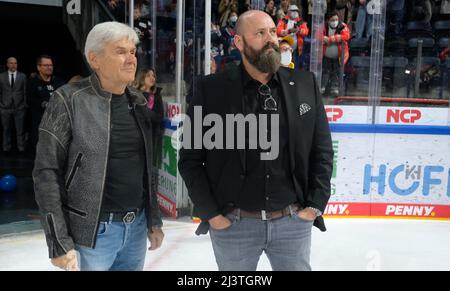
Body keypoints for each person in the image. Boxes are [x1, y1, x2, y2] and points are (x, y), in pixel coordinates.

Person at [178, 10, 333, 271]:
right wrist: (213, 215)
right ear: (239, 43)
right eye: (260, 33)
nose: (271, 39)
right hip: (233, 225)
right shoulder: (211, 90)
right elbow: (191, 160)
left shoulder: (305, 84)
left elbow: (322, 151)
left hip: (292, 223)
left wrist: (314, 206)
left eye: (272, 31)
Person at [33, 21, 164, 271]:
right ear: (95, 59)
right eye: (120, 52)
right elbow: (46, 173)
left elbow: (147, 167)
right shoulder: (68, 99)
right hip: (92, 233)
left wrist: (153, 221)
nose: (131, 59)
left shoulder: (138, 101)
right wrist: (58, 242)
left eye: (133, 52)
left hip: (136, 228)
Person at [27, 55, 65, 153]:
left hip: (57, 124)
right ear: (39, 67)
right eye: (46, 65)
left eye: (51, 65)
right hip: (40, 123)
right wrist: (44, 104)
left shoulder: (59, 82)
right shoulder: (33, 83)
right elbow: (30, 100)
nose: (49, 67)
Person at [0, 57, 27, 153]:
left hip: (19, 107)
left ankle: (21, 148)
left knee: (20, 129)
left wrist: (24, 105)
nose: (13, 65)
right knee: (6, 129)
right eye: (11, 63)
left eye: (15, 63)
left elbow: (24, 92)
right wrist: (1, 105)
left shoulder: (22, 76)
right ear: (7, 64)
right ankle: (6, 148)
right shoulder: (1, 76)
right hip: (5, 107)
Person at [321, 11, 350, 96]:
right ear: (328, 20)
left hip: (339, 56)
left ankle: (335, 88)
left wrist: (330, 39)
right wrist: (323, 38)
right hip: (326, 56)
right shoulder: (323, 26)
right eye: (332, 20)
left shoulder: (343, 26)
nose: (335, 22)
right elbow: (317, 35)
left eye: (336, 19)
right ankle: (323, 87)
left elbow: (346, 36)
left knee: (337, 72)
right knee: (325, 71)